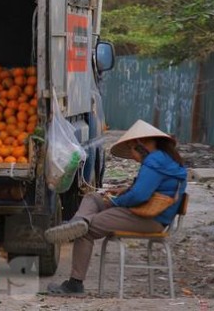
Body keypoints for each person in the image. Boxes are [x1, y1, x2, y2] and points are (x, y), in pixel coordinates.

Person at [45, 119, 188, 295]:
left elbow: (139, 196)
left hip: (151, 219)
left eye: (130, 150)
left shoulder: (155, 160)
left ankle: (75, 283)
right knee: (93, 197)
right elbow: (145, 190)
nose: (132, 155)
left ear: (139, 144)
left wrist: (114, 202)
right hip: (148, 215)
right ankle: (78, 221)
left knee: (86, 230)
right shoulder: (164, 158)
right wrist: (121, 192)